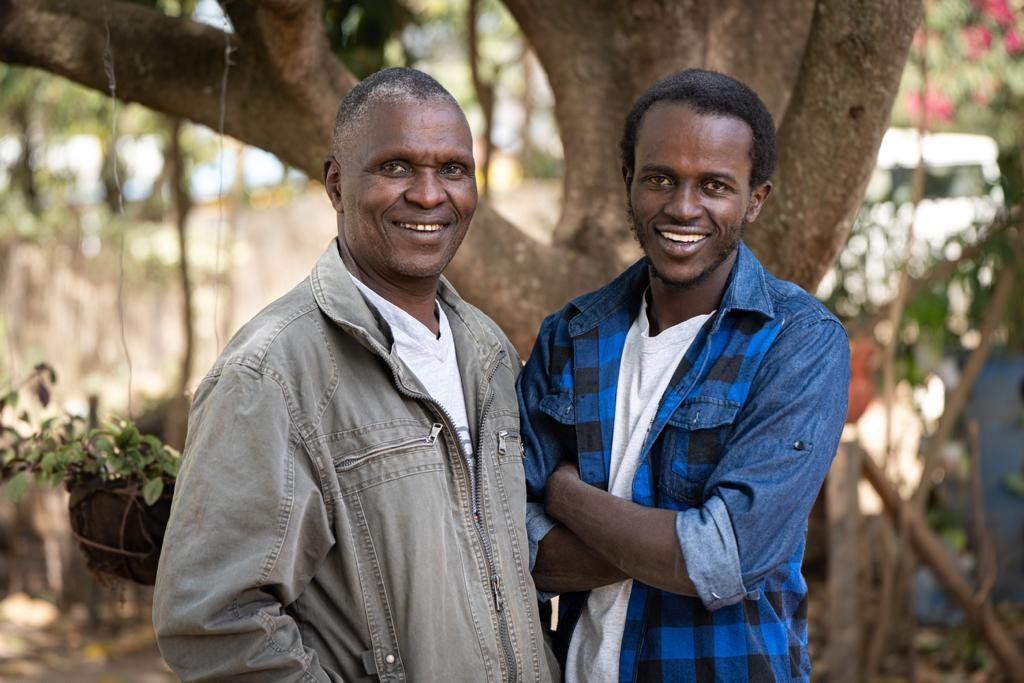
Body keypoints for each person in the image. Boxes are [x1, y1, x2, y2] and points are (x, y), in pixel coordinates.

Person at [153, 67, 558, 682]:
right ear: (336, 183)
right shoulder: (270, 375)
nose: (429, 194)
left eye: (453, 169)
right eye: (396, 167)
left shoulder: (489, 351)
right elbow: (212, 623)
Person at [518, 69, 850, 682]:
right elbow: (514, 547)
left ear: (755, 199)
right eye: (661, 179)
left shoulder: (799, 343)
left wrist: (567, 496)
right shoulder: (569, 336)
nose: (683, 206)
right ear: (629, 181)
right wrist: (671, 544)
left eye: (715, 185)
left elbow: (727, 559)